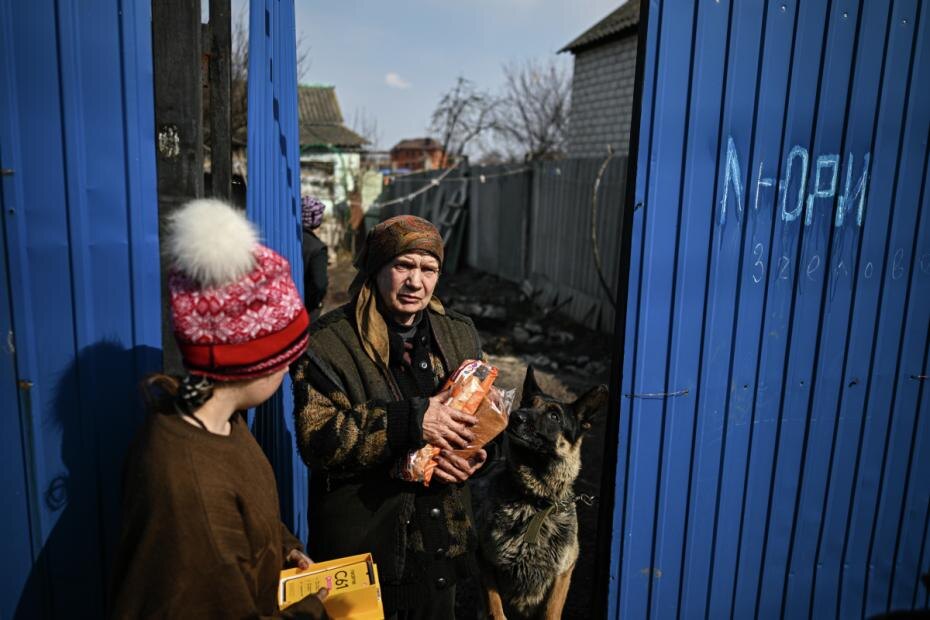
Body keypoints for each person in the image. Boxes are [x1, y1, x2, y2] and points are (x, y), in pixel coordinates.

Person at [111, 199, 327, 619]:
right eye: (285, 356)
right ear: (253, 361)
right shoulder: (191, 488)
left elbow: (241, 516)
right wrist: (313, 611)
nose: (288, 368)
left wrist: (283, 546)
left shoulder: (215, 422)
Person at [292, 215, 493, 618]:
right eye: (403, 265)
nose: (416, 281)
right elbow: (318, 440)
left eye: (428, 269)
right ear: (377, 267)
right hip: (364, 552)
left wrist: (475, 455)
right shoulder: (329, 344)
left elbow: (486, 415)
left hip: (438, 551)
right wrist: (411, 421)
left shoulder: (458, 335)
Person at [301, 196, 329, 321]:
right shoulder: (318, 248)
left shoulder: (288, 238)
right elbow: (319, 284)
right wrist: (315, 302)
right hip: (307, 309)